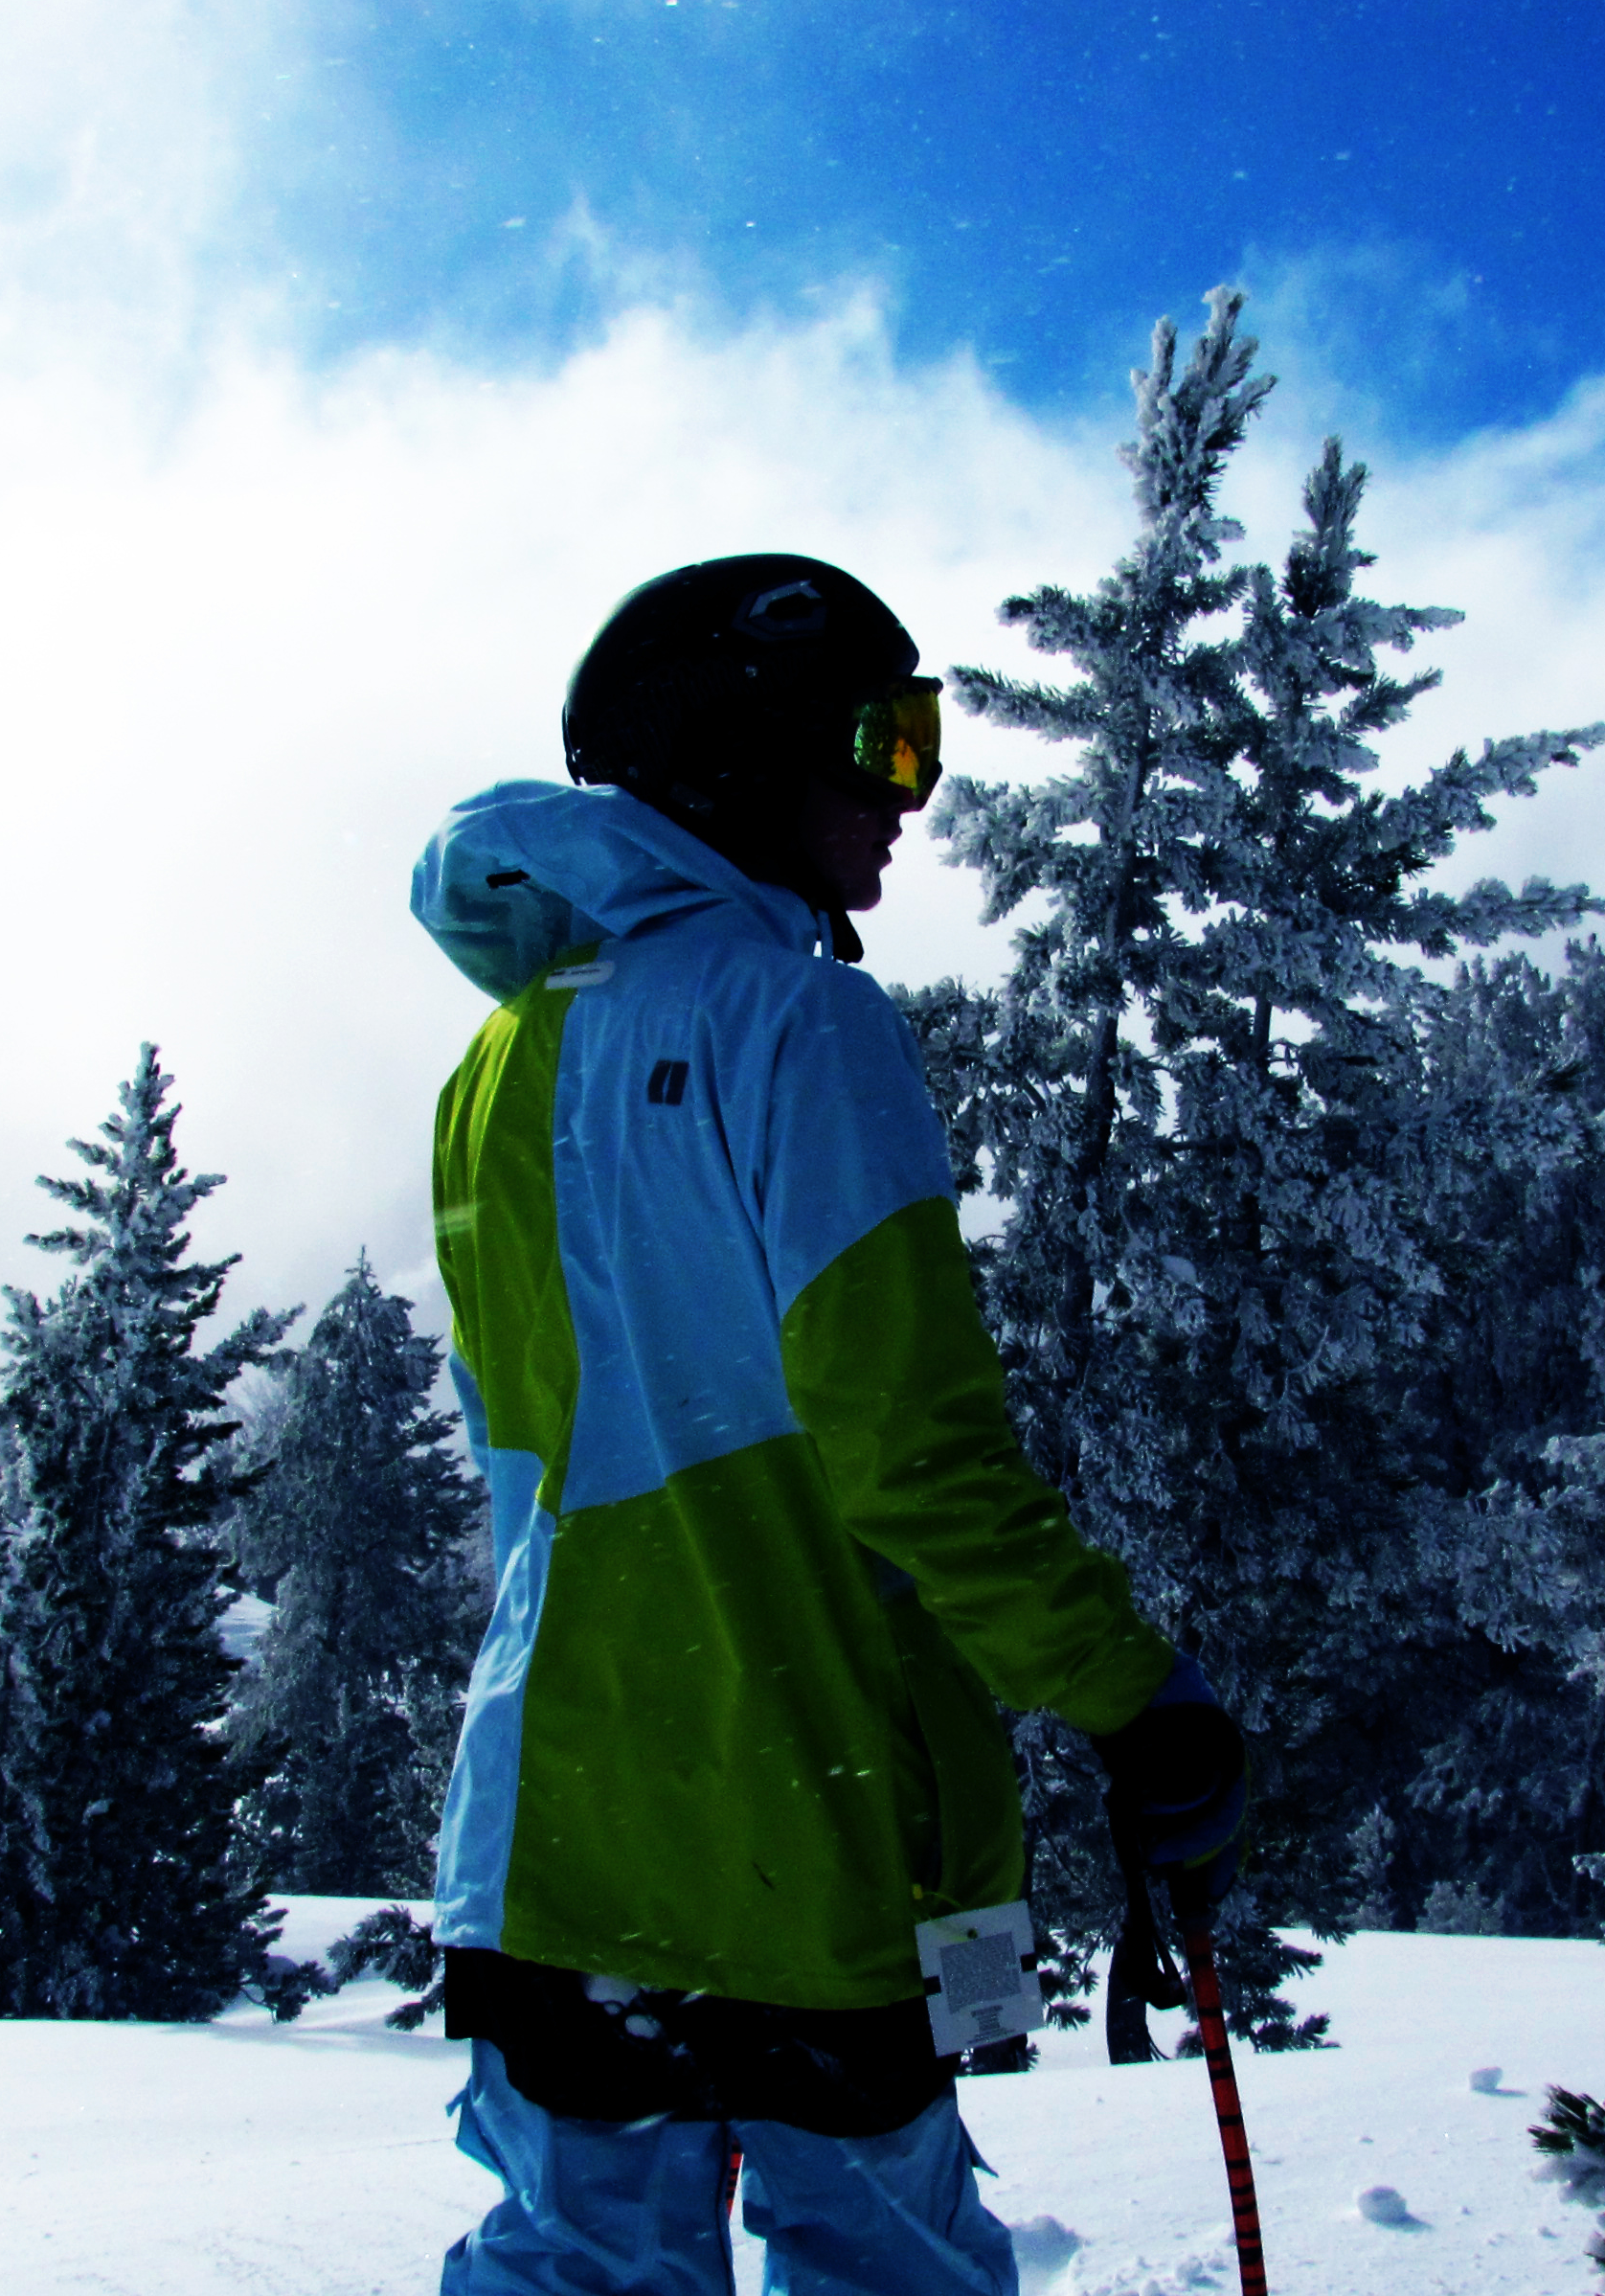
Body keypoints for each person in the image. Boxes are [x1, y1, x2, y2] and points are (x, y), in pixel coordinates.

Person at [409, 554, 1246, 2296]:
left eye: (917, 741)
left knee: (574, 2264)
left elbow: (530, 1459)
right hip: (803, 1821)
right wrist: (1131, 1696)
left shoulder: (493, 1070)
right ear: (732, 756)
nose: (905, 800)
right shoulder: (802, 1021)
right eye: (879, 742)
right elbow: (911, 1456)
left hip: (548, 1836)